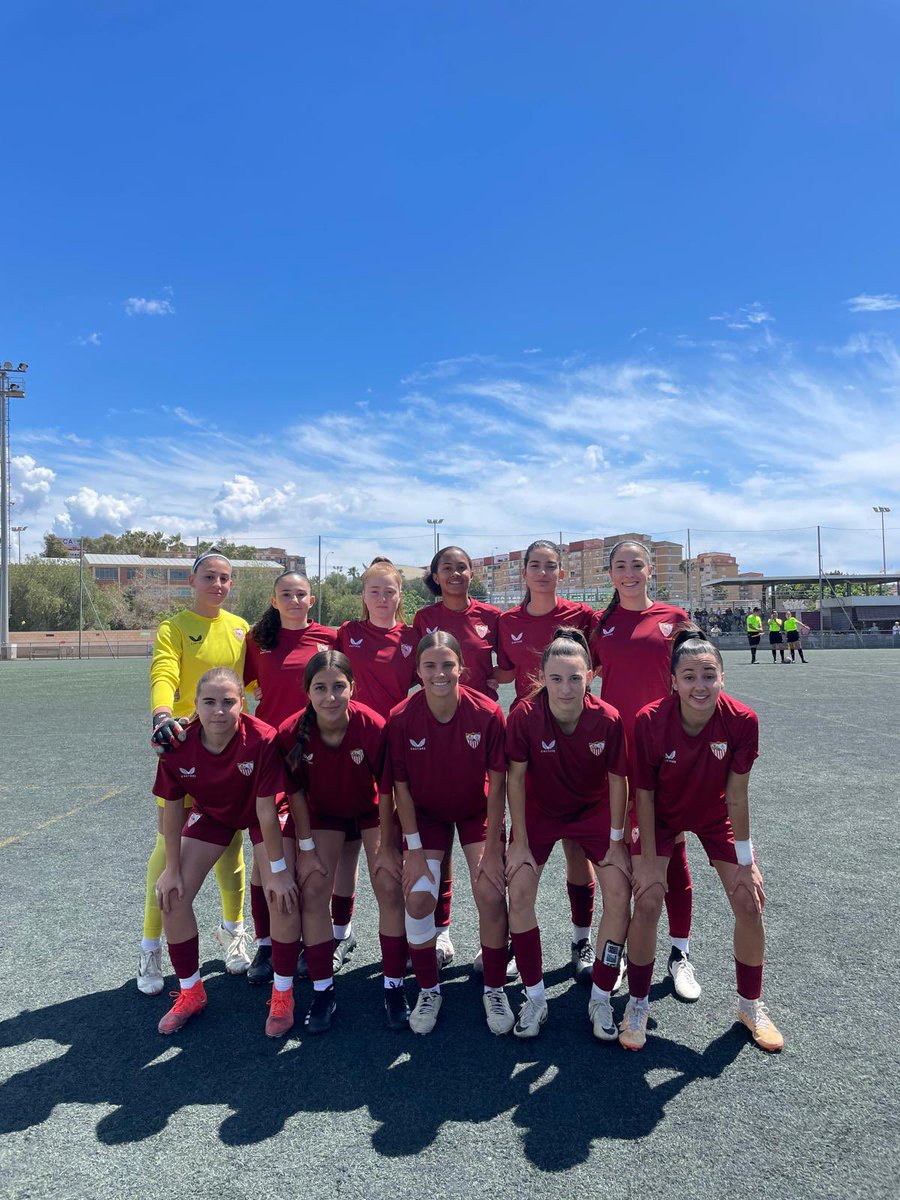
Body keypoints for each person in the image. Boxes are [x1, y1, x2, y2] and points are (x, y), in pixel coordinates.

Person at [620, 627, 784, 1053]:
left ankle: (750, 1006)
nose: (700, 685)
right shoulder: (650, 720)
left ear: (723, 678)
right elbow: (645, 795)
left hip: (713, 816)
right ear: (673, 680)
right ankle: (636, 1004)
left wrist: (747, 862)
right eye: (689, 675)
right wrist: (649, 861)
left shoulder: (743, 720)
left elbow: (736, 795)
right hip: (660, 814)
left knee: (749, 900)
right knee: (651, 897)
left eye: (708, 674)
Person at [153, 668, 296, 1036]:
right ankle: (191, 992)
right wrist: (171, 868)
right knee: (171, 894)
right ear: (196, 706)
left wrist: (278, 870)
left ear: (242, 703)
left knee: (283, 894)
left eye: (228, 702)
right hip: (214, 815)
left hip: (263, 813)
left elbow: (266, 809)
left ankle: (283, 994)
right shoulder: (178, 745)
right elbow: (171, 808)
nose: (219, 710)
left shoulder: (262, 739)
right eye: (210, 702)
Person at [505, 629, 630, 1039]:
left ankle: (601, 996)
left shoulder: (608, 718)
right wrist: (519, 842)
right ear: (541, 677)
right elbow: (515, 780)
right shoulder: (523, 715)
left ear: (590, 676)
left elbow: (618, 782)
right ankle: (535, 997)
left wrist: (615, 841)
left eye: (575, 678)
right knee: (519, 893)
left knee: (619, 893)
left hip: (592, 812)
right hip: (540, 812)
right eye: (556, 678)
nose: (565, 687)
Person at [274, 650, 409, 1032]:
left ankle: (394, 987)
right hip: (323, 815)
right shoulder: (290, 732)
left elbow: (388, 791)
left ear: (353, 687)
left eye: (339, 687)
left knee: (388, 883)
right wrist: (305, 849)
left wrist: (385, 848)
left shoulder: (371, 725)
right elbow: (296, 795)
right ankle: (322, 992)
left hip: (370, 812)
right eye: (321, 688)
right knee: (314, 889)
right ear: (307, 691)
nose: (330, 697)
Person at [589, 539, 699, 1001]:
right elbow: (575, 678)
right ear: (610, 575)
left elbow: (700, 679)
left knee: (671, 854)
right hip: (615, 759)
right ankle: (612, 951)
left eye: (637, 564)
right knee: (615, 855)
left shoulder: (675, 619)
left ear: (650, 570)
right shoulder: (602, 626)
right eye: (621, 566)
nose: (629, 572)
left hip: (663, 755)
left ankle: (679, 954)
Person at [386, 632, 511, 1035]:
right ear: (418, 671)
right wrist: (415, 851)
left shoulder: (488, 713)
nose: (439, 674)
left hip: (476, 811)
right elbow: (400, 789)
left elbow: (499, 783)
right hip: (426, 817)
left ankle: (494, 987)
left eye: (447, 665)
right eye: (430, 666)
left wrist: (493, 849)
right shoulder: (401, 717)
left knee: (491, 893)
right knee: (419, 898)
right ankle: (428, 988)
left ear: (461, 667)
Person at [139, 550, 251, 997]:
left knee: (232, 844)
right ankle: (151, 947)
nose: (218, 585)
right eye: (210, 577)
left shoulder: (241, 628)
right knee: (167, 851)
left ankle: (233, 931)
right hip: (185, 748)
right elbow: (164, 670)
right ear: (192, 580)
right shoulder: (174, 628)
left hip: (231, 748)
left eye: (225, 578)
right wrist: (163, 712)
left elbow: (256, 683)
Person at [495, 539, 599, 984]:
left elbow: (606, 668)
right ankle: (521, 945)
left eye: (550, 566)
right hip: (529, 745)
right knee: (524, 854)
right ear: (524, 572)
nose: (542, 572)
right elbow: (496, 672)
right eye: (534, 566)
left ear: (563, 572)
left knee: (579, 849)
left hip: (578, 744)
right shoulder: (507, 621)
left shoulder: (584, 617)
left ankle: (581, 939)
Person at [243, 570, 355, 985]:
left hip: (323, 753)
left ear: (312, 599)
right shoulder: (257, 642)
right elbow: (239, 692)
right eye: (285, 594)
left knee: (339, 851)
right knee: (266, 856)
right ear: (274, 600)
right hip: (273, 756)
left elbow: (344, 685)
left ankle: (337, 934)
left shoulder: (331, 637)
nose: (293, 600)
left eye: (300, 594)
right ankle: (267, 943)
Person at [412, 545, 504, 973]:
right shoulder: (425, 619)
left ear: (472, 572)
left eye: (461, 567)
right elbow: (422, 668)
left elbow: (510, 666)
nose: (454, 573)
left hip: (482, 729)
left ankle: (497, 948)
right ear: (435, 574)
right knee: (437, 855)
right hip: (437, 730)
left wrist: (487, 684)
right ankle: (441, 929)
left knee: (485, 866)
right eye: (446, 567)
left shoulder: (493, 616)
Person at [333, 558, 418, 971]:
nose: (383, 599)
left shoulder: (413, 636)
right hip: (348, 751)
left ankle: (410, 937)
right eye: (374, 591)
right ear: (363, 597)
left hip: (397, 753)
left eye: (390, 591)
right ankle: (340, 933)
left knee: (394, 849)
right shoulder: (347, 634)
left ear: (400, 596)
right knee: (346, 847)